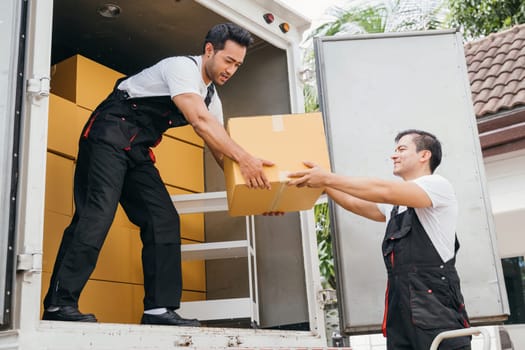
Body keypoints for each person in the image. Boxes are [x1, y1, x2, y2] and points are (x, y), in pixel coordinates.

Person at [43, 23, 274, 326]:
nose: (232, 70)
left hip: (136, 151)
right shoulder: (181, 68)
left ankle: (157, 309)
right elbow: (200, 122)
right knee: (96, 215)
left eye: (238, 65)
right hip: (107, 137)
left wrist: (260, 197)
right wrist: (246, 158)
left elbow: (220, 152)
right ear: (209, 50)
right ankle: (59, 305)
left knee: (162, 219)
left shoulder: (212, 99)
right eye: (228, 61)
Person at [288, 129, 471, 349]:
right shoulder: (395, 206)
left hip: (435, 309)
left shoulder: (437, 185)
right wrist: (324, 185)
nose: (394, 155)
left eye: (402, 149)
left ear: (424, 155)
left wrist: (328, 176)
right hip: (400, 310)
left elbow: (382, 190)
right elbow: (355, 203)